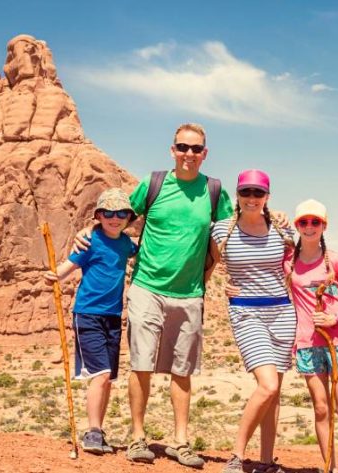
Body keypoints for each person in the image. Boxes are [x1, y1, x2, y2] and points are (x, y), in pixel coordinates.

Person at [74, 123, 234, 467]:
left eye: (196, 149)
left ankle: (180, 441)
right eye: (182, 147)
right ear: (172, 150)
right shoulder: (154, 184)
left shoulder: (216, 192)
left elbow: (228, 235)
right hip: (146, 287)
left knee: (182, 370)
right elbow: (116, 218)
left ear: (204, 154)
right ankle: (137, 437)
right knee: (141, 364)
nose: (188, 154)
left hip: (190, 293)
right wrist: (87, 231)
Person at [209, 170, 295, 473]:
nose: (252, 198)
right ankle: (237, 455)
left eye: (258, 193)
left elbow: (297, 265)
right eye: (246, 192)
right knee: (267, 384)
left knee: (274, 392)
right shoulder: (221, 231)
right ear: (238, 195)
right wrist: (223, 285)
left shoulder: (283, 230)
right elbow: (211, 266)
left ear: (267, 197)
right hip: (246, 312)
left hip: (283, 313)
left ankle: (267, 460)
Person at [43, 187, 138, 454]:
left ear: (128, 217)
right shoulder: (90, 241)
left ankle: (99, 430)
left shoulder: (125, 244)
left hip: (112, 318)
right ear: (98, 215)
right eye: (108, 212)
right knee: (101, 374)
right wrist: (54, 275)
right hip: (88, 315)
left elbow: (140, 251)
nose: (115, 218)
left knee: (108, 379)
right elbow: (68, 267)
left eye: (121, 213)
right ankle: (93, 432)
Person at [285, 199, 338, 473]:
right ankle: (330, 468)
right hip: (307, 344)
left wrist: (335, 317)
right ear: (297, 226)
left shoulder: (337, 261)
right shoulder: (289, 263)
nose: (309, 227)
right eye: (304, 222)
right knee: (320, 408)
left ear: (324, 225)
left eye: (315, 222)